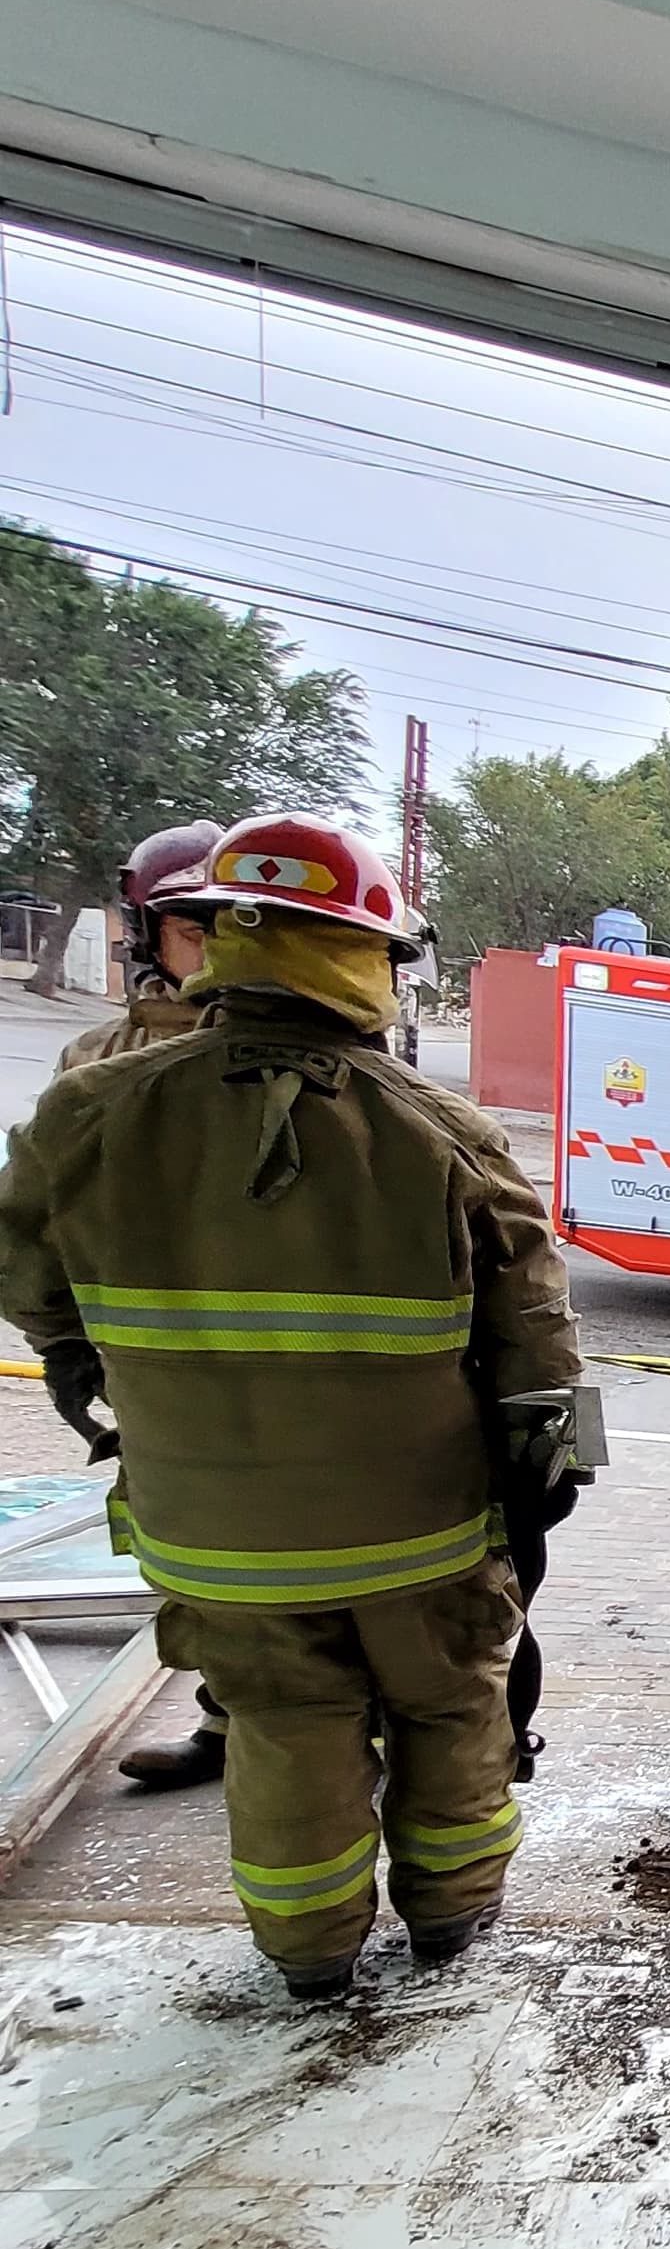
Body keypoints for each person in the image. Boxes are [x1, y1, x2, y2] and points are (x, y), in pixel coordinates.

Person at [0, 811, 587, 2003]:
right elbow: (540, 1354)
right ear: (362, 958)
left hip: (214, 1540)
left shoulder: (89, 1113)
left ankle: (309, 1957)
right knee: (446, 1709)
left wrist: (83, 1380)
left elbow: (30, 1286)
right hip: (421, 1537)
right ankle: (451, 1921)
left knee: (282, 1727)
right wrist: (549, 1483)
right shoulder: (442, 1132)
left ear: (220, 941)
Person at [57, 825, 236, 1787]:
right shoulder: (98, 1063)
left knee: (324, 1566)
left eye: (234, 925)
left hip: (295, 1381)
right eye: (193, 926)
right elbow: (49, 1219)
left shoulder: (324, 1058)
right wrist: (64, 1343)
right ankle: (224, 1720)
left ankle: (336, 1732)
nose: (215, 948)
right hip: (160, 1370)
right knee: (193, 1557)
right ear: (148, 930)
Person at [57, 822, 224, 1073]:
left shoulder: (297, 1051)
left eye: (245, 931)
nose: (226, 949)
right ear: (147, 936)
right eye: (198, 932)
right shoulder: (96, 1056)